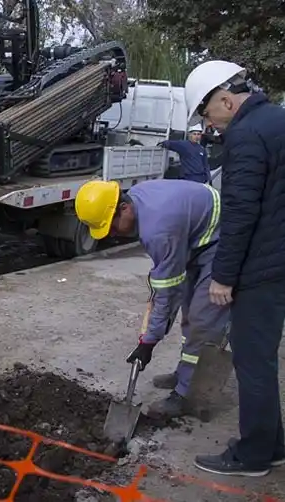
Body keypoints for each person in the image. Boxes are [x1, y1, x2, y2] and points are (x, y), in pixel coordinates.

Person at [183, 60, 285, 477]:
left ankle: (253, 456)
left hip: (264, 264)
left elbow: (240, 211)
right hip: (279, 256)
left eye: (207, 114)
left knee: (253, 360)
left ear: (226, 100)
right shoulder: (276, 119)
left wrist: (223, 276)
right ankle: (273, 445)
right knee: (262, 357)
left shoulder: (245, 134)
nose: (209, 124)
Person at [74, 178, 229, 419]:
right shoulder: (137, 197)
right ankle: (186, 372)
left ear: (124, 208)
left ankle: (187, 395)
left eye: (112, 226)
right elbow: (168, 286)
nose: (112, 234)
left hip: (223, 241)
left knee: (202, 320)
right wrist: (151, 335)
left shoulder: (158, 230)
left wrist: (149, 342)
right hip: (196, 237)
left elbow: (167, 295)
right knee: (189, 312)